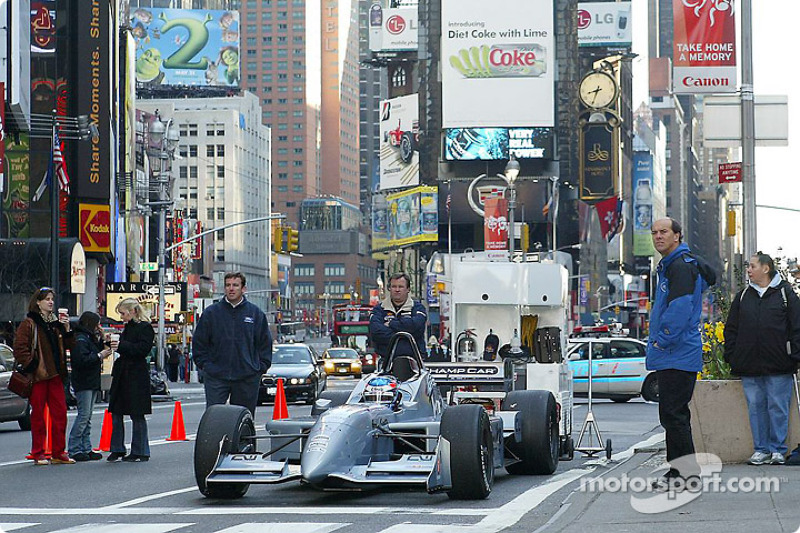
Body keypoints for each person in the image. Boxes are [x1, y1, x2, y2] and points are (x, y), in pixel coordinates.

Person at [646, 218, 710, 488]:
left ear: (677, 236)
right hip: (677, 352)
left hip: (677, 351)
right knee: (673, 413)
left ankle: (685, 473)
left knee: (674, 414)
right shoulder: (675, 265)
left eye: (664, 232)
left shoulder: (680, 267)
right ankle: (680, 471)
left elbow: (680, 309)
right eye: (654, 233)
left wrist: (663, 340)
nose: (658, 237)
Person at [724, 252, 800, 465]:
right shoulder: (743, 296)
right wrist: (731, 355)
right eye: (748, 266)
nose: (748, 269)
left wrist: (795, 354)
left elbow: (797, 326)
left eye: (752, 266)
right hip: (749, 363)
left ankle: (777, 449)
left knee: (778, 407)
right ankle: (761, 449)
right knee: (755, 407)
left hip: (779, 362)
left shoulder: (785, 294)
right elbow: (731, 329)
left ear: (766, 269)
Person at [192, 272, 273, 415]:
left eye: (235, 285)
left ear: (243, 289)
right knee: (213, 418)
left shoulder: (255, 314)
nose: (231, 289)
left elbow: (264, 344)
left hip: (247, 377)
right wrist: (206, 366)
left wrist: (259, 368)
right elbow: (199, 343)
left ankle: (243, 438)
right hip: (216, 376)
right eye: (228, 285)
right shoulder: (211, 313)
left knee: (244, 419)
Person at [13, 288, 76, 465]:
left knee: (60, 413)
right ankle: (38, 451)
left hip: (55, 374)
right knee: (38, 415)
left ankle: (58, 452)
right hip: (39, 375)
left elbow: (72, 345)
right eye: (47, 299)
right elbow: (19, 348)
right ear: (38, 303)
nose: (51, 302)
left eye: (52, 299)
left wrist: (67, 328)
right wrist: (31, 365)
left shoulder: (56, 324)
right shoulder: (30, 323)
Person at [107, 298, 155, 463]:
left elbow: (142, 350)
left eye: (123, 313)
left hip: (136, 374)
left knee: (137, 414)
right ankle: (117, 448)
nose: (121, 317)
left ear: (133, 311)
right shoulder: (129, 328)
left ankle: (140, 450)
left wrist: (121, 345)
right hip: (123, 373)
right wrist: (109, 341)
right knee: (116, 412)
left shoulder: (145, 328)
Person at [68, 311, 112, 461]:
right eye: (97, 324)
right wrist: (100, 355)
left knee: (87, 417)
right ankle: (74, 448)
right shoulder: (81, 339)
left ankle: (85, 447)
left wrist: (102, 339)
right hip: (84, 380)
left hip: (90, 380)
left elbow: (92, 352)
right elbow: (82, 360)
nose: (98, 326)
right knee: (84, 416)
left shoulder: (87, 338)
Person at [369, 273, 428, 363]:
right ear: (389, 288)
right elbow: (376, 333)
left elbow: (416, 327)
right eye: (394, 286)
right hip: (385, 363)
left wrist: (391, 324)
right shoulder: (379, 309)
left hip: (415, 362)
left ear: (408, 289)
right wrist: (406, 336)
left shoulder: (418, 308)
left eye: (401, 287)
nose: (397, 290)